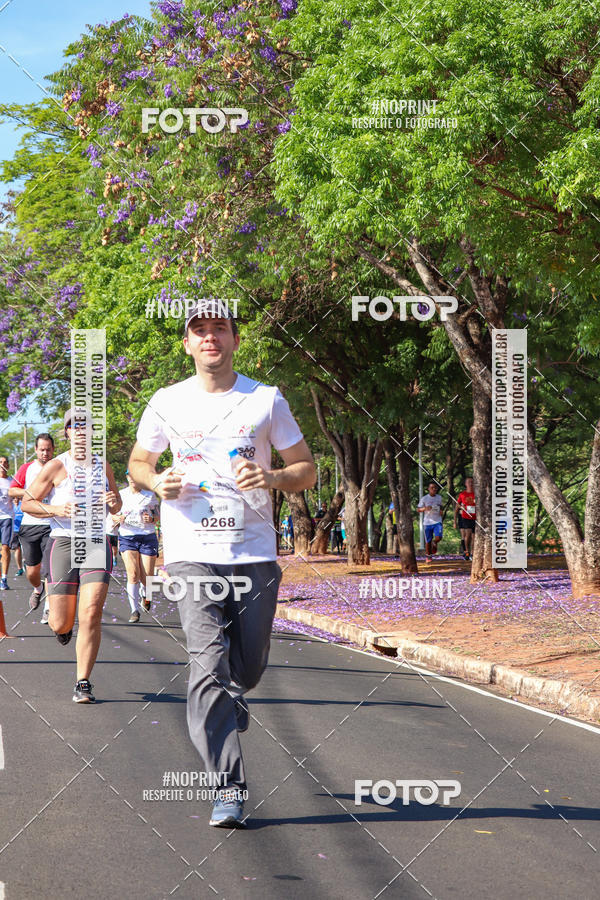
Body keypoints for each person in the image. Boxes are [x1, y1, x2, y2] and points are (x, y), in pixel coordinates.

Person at [128, 297, 315, 828]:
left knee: (247, 668)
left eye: (220, 329)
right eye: (199, 330)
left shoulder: (266, 399)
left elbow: (306, 468)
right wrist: (154, 480)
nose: (210, 338)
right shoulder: (166, 401)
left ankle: (235, 697)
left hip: (253, 553)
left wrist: (275, 478)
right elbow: (140, 462)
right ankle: (227, 788)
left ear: (234, 340)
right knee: (208, 665)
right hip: (191, 555)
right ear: (187, 343)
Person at [22, 409, 121, 703]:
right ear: (67, 432)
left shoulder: (103, 466)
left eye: (86, 426)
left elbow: (115, 507)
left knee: (91, 612)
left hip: (95, 542)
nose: (81, 431)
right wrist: (56, 509)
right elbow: (28, 503)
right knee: (61, 622)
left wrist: (115, 501)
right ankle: (62, 629)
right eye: (75, 426)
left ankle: (83, 681)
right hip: (63, 543)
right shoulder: (56, 465)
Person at [9, 432, 55, 619]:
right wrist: (31, 492)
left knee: (50, 569)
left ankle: (49, 609)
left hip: (52, 524)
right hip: (29, 524)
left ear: (53, 450)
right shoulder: (27, 468)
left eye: (48, 450)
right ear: (36, 450)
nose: (45, 453)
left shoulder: (59, 467)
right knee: (32, 571)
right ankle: (38, 589)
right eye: (42, 450)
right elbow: (12, 490)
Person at [114, 471, 159, 623]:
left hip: (147, 536)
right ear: (127, 478)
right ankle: (134, 610)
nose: (133, 479)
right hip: (128, 536)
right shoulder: (121, 495)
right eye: (130, 476)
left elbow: (156, 515)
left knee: (147, 576)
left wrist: (151, 518)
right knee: (133, 573)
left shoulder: (149, 495)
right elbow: (112, 515)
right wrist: (117, 518)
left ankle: (146, 594)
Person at [417, 481, 443, 562]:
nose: (434, 489)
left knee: (439, 537)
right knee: (428, 540)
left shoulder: (439, 497)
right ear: (428, 489)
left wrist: (441, 510)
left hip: (437, 521)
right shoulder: (424, 498)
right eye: (432, 488)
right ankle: (428, 556)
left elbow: (441, 506)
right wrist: (425, 508)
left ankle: (434, 542)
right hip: (427, 522)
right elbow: (418, 509)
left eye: (435, 487)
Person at [0, 456, 14, 590]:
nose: (2, 465)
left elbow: (17, 496)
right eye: (0, 462)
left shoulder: (11, 481)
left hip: (7, 517)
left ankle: (3, 578)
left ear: (8, 466)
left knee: (5, 547)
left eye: (5, 462)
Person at [454, 476, 476, 560]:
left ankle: (473, 553)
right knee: (468, 534)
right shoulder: (462, 494)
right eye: (469, 482)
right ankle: (467, 551)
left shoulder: (476, 494)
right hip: (466, 517)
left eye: (472, 482)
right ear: (466, 484)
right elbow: (457, 507)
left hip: (476, 517)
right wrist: (455, 521)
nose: (470, 483)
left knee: (474, 537)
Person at [10, 500, 25, 576]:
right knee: (17, 549)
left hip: (24, 529)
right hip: (14, 530)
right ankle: (20, 568)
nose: (16, 499)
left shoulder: (23, 504)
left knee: (26, 548)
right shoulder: (10, 505)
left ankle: (27, 563)